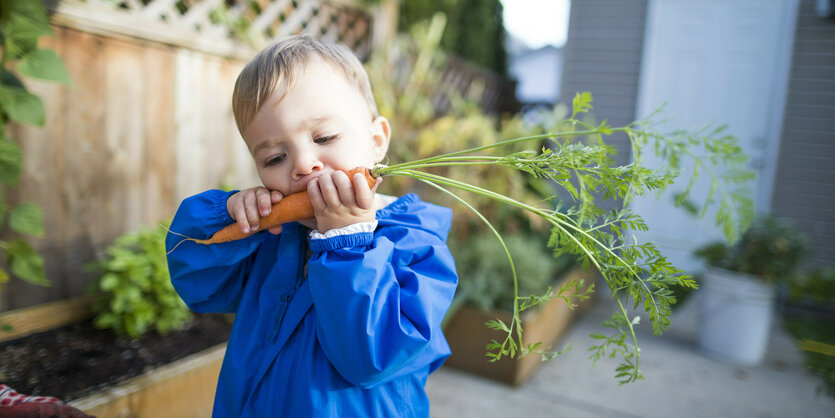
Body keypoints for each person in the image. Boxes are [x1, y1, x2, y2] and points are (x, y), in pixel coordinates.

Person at [165, 34, 459, 417]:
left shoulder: (417, 244)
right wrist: (228, 217)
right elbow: (196, 282)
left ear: (376, 140)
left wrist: (347, 242)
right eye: (274, 158)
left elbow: (372, 359)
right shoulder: (271, 236)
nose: (303, 165)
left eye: (324, 137)